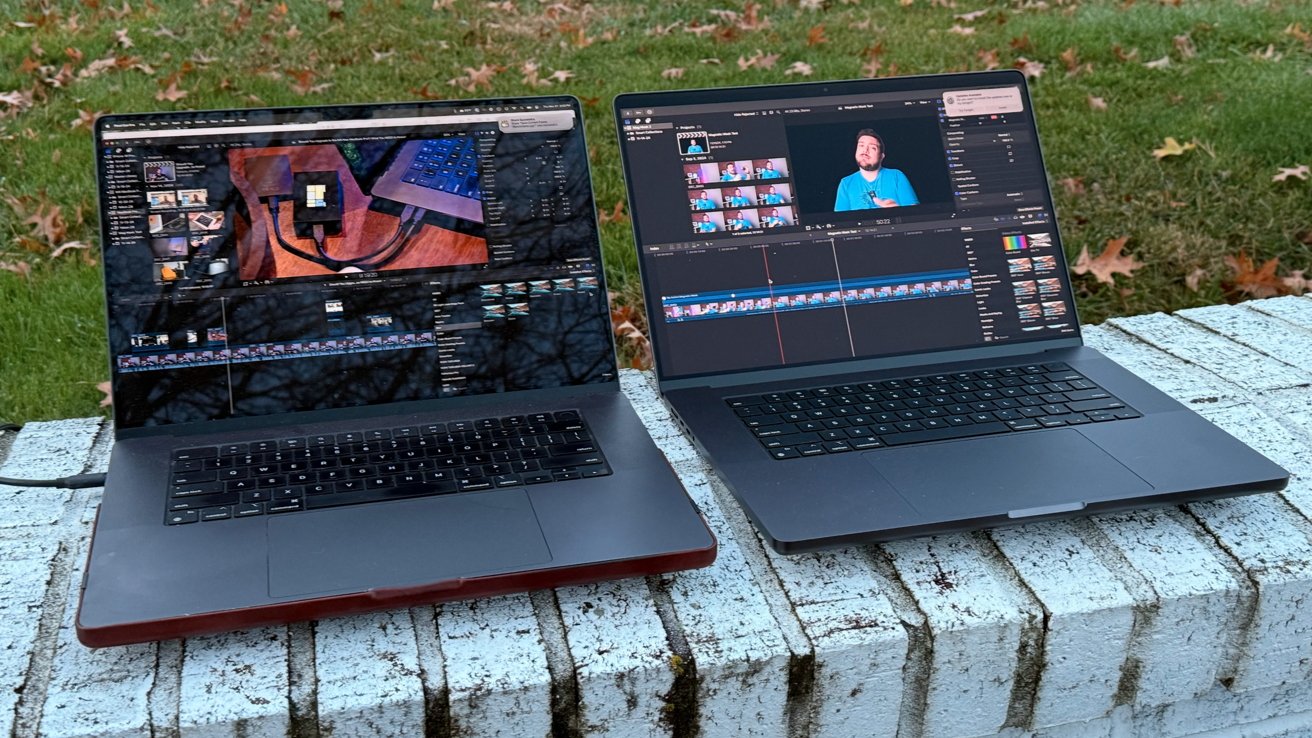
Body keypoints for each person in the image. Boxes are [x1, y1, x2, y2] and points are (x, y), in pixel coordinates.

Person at [833, 129, 919, 211]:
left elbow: (915, 214)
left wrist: (898, 212)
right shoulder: (846, 183)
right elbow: (840, 222)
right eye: (861, 145)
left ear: (881, 156)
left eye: (872, 148)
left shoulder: (897, 176)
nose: (865, 150)